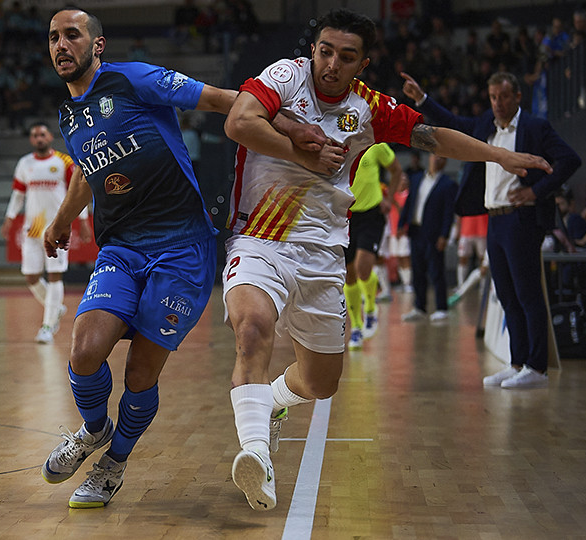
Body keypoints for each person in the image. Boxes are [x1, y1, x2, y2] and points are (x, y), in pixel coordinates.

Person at [221, 8, 551, 511]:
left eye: (346, 56)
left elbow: (433, 136)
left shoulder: (369, 108)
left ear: (362, 63)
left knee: (320, 382)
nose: (332, 63)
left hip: (323, 254)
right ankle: (257, 456)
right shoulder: (285, 78)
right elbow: (239, 122)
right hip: (258, 239)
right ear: (314, 49)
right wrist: (301, 152)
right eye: (325, 51)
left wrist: (499, 156)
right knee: (251, 328)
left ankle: (269, 399)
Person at [38, 7, 245, 510]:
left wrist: (293, 123)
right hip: (122, 246)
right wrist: (64, 219)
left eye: (72, 35)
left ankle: (114, 464)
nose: (61, 45)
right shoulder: (69, 114)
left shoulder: (134, 79)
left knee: (139, 375)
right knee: (85, 351)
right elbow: (87, 170)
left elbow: (221, 100)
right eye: (53, 38)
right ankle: (93, 430)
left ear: (97, 45)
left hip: (182, 248)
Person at [401, 68, 580, 389]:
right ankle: (517, 363)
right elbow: (455, 124)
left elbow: (570, 160)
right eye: (493, 97)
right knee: (507, 295)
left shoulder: (536, 127)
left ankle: (537, 368)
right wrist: (423, 99)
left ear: (518, 97)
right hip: (494, 218)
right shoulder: (485, 124)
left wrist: (535, 192)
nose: (497, 103)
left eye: (504, 97)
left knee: (528, 295)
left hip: (522, 217)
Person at [0, 121, 92, 344]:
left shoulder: (65, 162)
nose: (39, 138)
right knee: (31, 277)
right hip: (32, 230)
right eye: (34, 135)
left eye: (42, 134)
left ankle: (48, 326)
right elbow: (18, 195)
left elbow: (77, 194)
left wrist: (83, 221)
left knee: (54, 276)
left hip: (58, 229)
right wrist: (9, 218)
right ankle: (55, 308)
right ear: (31, 140)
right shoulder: (25, 163)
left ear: (50, 136)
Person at [344, 142, 403, 348]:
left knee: (363, 267)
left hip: (371, 213)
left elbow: (396, 170)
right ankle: (356, 327)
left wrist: (390, 198)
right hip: (344, 215)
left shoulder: (376, 144)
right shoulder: (337, 139)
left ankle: (370, 307)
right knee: (348, 274)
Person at [398, 154, 457, 322]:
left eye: (442, 158)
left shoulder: (448, 184)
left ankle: (441, 307)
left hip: (434, 233)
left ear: (445, 162)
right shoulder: (416, 178)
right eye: (435, 156)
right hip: (415, 231)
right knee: (417, 270)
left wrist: (444, 235)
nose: (437, 159)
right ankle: (419, 307)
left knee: (436, 270)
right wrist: (402, 224)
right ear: (429, 157)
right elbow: (409, 202)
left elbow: (448, 213)